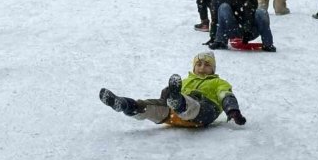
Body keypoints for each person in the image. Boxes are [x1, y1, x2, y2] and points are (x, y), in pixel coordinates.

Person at [99, 52, 246, 128]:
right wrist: (167, 94)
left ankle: (178, 101)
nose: (202, 68)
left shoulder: (218, 82)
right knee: (151, 108)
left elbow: (225, 95)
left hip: (204, 111)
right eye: (199, 64)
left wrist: (233, 111)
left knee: (193, 105)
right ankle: (125, 105)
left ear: (213, 68)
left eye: (207, 65)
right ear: (193, 67)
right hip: (174, 115)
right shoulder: (187, 80)